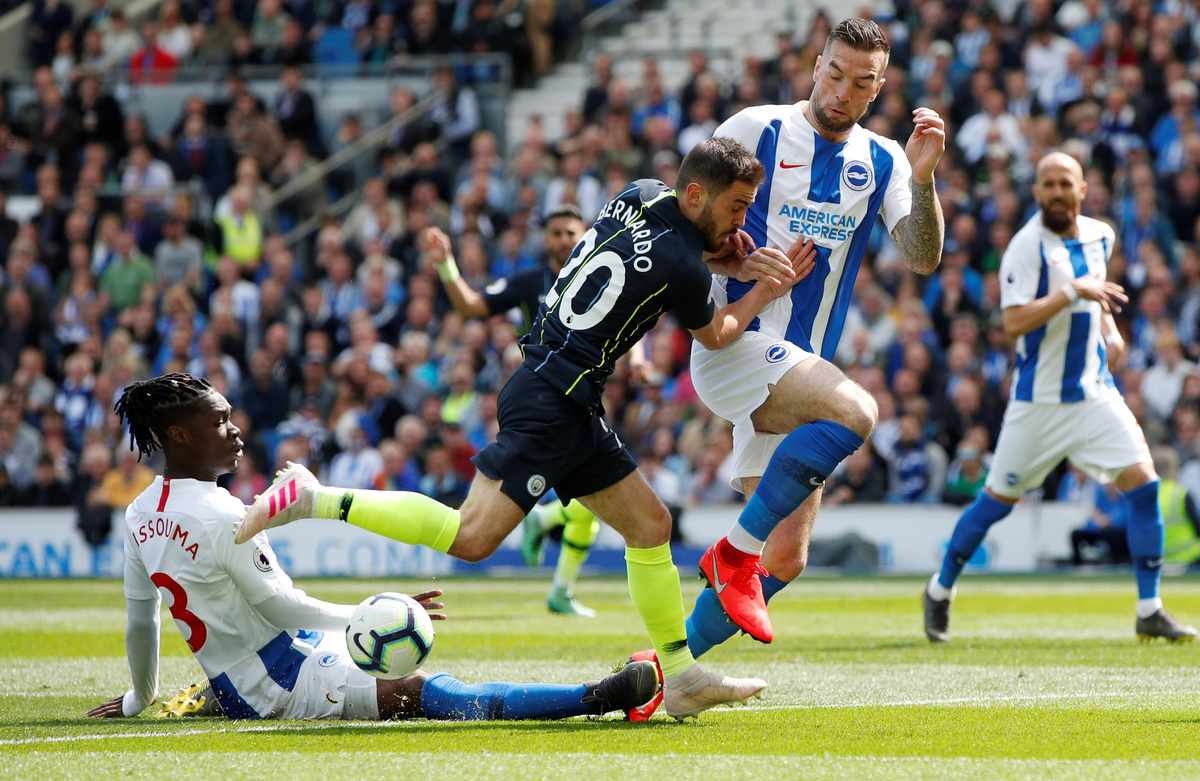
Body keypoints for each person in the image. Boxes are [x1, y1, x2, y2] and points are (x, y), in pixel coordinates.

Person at [238, 137, 817, 720]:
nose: (742, 221)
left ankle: (682, 676)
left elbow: (648, 260)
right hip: (554, 400)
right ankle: (313, 497)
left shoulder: (638, 194)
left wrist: (714, 255)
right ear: (695, 194)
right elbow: (717, 334)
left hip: (559, 388)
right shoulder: (682, 265)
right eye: (737, 206)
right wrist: (766, 287)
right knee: (471, 536)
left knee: (650, 525)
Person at [87, 374, 660, 722]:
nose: (236, 431)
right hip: (278, 682)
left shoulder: (139, 514)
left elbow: (142, 620)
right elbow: (279, 607)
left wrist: (140, 697)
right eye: (219, 422)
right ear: (178, 436)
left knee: (407, 672)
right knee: (425, 694)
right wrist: (362, 613)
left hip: (257, 670)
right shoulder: (223, 514)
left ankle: (213, 693)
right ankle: (592, 697)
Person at [680, 18, 946, 661]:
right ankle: (730, 553)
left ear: (879, 88)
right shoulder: (755, 128)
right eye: (834, 73)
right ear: (817, 65)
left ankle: (666, 667)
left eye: (862, 83)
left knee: (785, 559)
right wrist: (731, 261)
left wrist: (923, 180)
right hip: (735, 342)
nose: (842, 92)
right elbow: (679, 224)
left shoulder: (883, 159)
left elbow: (922, 258)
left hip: (796, 370)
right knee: (857, 411)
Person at [923, 152, 1196, 644]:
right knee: (996, 503)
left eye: (1064, 183)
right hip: (1039, 404)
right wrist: (1071, 292)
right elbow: (1013, 322)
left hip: (1094, 393)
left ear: (1082, 190)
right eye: (1047, 184)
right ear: (1036, 192)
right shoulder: (1025, 247)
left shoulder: (1100, 235)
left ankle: (1149, 608)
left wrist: (1110, 332)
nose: (1056, 192)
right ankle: (940, 589)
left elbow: (1098, 295)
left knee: (1144, 485)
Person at [427, 204, 602, 617]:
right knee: (595, 493)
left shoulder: (601, 277)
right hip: (546, 398)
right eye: (556, 233)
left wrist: (641, 362)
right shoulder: (530, 282)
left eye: (571, 232)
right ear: (546, 239)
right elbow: (472, 306)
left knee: (592, 503)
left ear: (585, 235)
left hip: (586, 395)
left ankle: (551, 552)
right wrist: (447, 264)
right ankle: (544, 538)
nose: (564, 240)